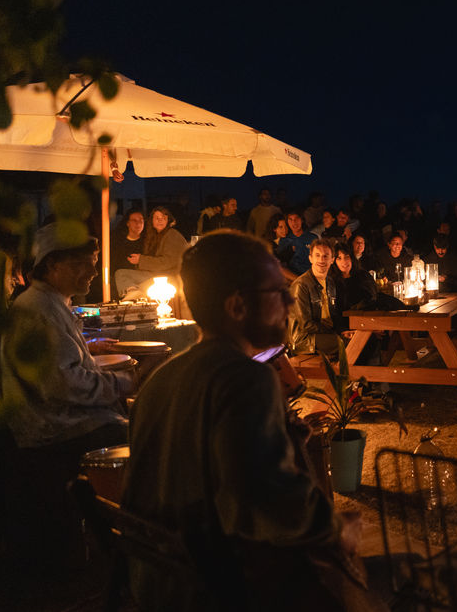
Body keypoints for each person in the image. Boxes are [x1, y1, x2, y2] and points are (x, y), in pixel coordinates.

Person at [122, 231, 383, 610]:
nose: (289, 301)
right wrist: (335, 529)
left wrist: (283, 439)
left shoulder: (161, 378)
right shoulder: (247, 378)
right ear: (237, 306)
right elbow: (274, 505)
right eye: (276, 292)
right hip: (218, 588)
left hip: (158, 582)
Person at [1, 224, 133, 567]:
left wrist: (94, 355)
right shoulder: (39, 309)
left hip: (58, 419)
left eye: (94, 262)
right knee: (139, 436)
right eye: (82, 264)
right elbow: (63, 384)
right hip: (52, 427)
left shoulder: (50, 303)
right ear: (52, 265)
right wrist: (122, 383)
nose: (92, 271)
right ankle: (126, 541)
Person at [289, 239, 348, 356]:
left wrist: (342, 331)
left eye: (325, 256)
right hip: (305, 339)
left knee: (362, 340)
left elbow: (333, 316)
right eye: (317, 255)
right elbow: (306, 325)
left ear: (332, 260)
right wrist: (334, 333)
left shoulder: (330, 282)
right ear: (310, 258)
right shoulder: (301, 285)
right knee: (350, 345)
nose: (321, 260)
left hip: (325, 334)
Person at [115, 206, 188, 299]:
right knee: (121, 274)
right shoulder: (155, 236)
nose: (160, 220)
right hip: (157, 274)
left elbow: (167, 262)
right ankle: (133, 293)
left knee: (141, 285)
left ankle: (136, 296)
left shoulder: (172, 235)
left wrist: (141, 260)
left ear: (168, 220)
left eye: (163, 218)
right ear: (152, 221)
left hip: (168, 276)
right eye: (157, 218)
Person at [333, 242, 378, 310]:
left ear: (352, 258)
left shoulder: (364, 276)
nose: (344, 261)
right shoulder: (332, 281)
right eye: (339, 258)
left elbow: (373, 298)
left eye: (346, 257)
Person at [277, 210, 318, 276]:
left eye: (296, 219)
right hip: (292, 276)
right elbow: (281, 264)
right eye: (290, 219)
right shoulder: (284, 240)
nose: (294, 222)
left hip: (310, 274)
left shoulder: (312, 238)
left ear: (302, 220)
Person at [110, 208, 145, 274]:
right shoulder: (117, 242)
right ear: (128, 223)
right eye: (134, 220)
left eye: (141, 220)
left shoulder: (147, 242)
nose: (138, 223)